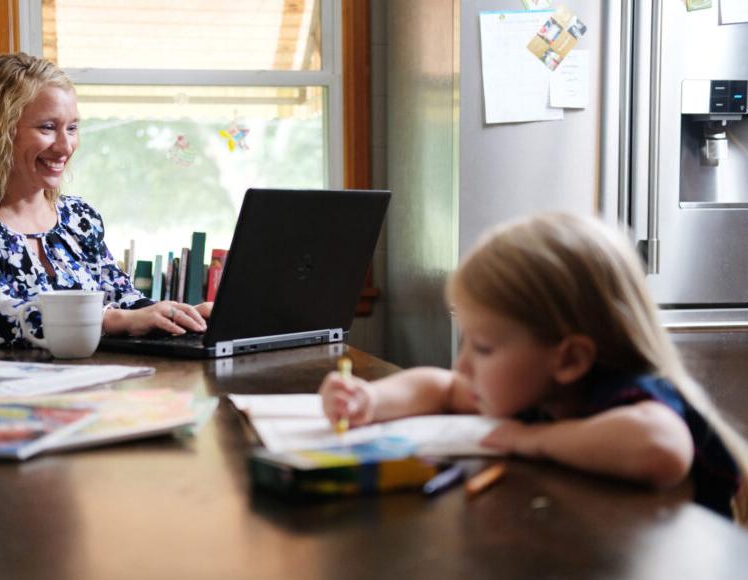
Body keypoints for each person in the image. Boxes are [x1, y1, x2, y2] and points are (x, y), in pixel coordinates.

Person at [319, 212, 748, 522]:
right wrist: (370, 399)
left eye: (483, 348)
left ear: (569, 360)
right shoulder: (541, 388)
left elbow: (661, 448)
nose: (462, 365)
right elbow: (441, 387)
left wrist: (533, 438)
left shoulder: (624, 392)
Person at [0, 52, 210, 348]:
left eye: (72, 128)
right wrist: (109, 320)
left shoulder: (79, 217)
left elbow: (122, 299)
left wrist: (181, 316)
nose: (65, 146)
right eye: (47, 127)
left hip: (82, 385)